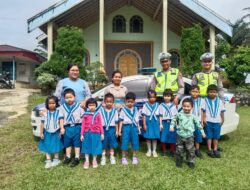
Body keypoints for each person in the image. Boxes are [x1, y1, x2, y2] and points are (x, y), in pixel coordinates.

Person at [170, 98, 206, 169]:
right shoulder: (179, 114)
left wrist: (202, 132)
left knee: (190, 149)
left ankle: (191, 161)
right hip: (180, 135)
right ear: (182, 106)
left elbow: (198, 125)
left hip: (189, 136)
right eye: (184, 106)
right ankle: (179, 160)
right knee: (179, 149)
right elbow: (173, 120)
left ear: (191, 107)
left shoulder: (193, 116)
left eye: (188, 106)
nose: (186, 108)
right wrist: (171, 127)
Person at [59, 88, 84, 167]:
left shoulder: (79, 107)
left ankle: (77, 157)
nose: (69, 99)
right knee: (67, 143)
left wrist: (83, 129)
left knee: (77, 143)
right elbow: (61, 118)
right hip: (67, 128)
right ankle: (68, 156)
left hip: (77, 127)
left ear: (74, 97)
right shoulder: (62, 107)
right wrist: (62, 128)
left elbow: (83, 118)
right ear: (64, 98)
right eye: (66, 98)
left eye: (70, 97)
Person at [38, 96, 63, 168]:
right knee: (46, 145)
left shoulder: (59, 112)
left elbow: (61, 121)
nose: (51, 105)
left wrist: (62, 129)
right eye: (50, 103)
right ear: (47, 104)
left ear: (56, 103)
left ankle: (56, 159)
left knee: (56, 145)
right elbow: (42, 123)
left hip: (56, 132)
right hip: (47, 132)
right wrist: (41, 132)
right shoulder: (45, 113)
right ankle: (48, 160)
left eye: (53, 103)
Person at [201, 84, 225, 158]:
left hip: (217, 122)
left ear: (217, 93)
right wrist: (203, 120)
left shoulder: (220, 101)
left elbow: (222, 111)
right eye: (210, 92)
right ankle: (209, 149)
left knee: (216, 137)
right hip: (208, 122)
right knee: (208, 136)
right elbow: (203, 111)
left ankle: (215, 149)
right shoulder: (204, 100)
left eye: (214, 92)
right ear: (207, 92)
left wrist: (223, 119)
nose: (212, 93)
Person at [81, 98, 104, 169]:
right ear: (87, 106)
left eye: (93, 105)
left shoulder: (98, 114)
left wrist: (102, 133)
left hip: (96, 133)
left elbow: (100, 124)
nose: (91, 107)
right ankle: (87, 161)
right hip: (87, 133)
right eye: (90, 105)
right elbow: (83, 125)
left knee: (95, 147)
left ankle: (94, 160)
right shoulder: (85, 114)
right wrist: (81, 134)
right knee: (86, 147)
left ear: (96, 106)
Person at [119, 92, 141, 165]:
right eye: (128, 101)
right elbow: (121, 121)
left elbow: (137, 120)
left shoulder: (135, 109)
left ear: (134, 102)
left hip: (134, 127)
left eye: (132, 102)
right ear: (125, 101)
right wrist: (119, 130)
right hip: (126, 127)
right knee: (124, 142)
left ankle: (134, 157)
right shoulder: (123, 110)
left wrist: (139, 128)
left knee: (135, 142)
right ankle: (123, 157)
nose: (130, 103)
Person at [99, 93, 119, 165]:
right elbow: (99, 122)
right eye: (107, 101)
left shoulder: (115, 111)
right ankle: (103, 157)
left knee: (111, 143)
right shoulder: (101, 110)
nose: (109, 103)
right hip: (103, 129)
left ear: (113, 102)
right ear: (104, 102)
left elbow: (116, 122)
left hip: (112, 129)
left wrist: (117, 130)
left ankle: (112, 156)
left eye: (110, 102)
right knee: (103, 143)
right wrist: (100, 132)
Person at [159, 89, 178, 157]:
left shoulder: (173, 105)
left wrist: (175, 124)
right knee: (163, 137)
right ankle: (164, 151)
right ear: (163, 96)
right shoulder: (161, 105)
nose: (167, 97)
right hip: (164, 122)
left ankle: (172, 150)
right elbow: (160, 115)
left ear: (171, 97)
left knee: (172, 137)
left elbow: (176, 116)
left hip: (172, 123)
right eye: (165, 96)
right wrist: (160, 124)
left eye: (168, 96)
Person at [141, 90, 160, 157]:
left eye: (153, 97)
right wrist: (144, 124)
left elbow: (160, 115)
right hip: (148, 121)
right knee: (148, 137)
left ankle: (154, 150)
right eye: (150, 97)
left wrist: (160, 124)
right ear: (148, 98)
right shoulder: (145, 105)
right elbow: (143, 115)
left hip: (155, 122)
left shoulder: (158, 105)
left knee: (155, 137)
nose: (152, 98)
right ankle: (149, 150)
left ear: (155, 98)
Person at [189, 85, 204, 158]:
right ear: (190, 92)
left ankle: (197, 149)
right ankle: (191, 149)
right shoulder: (187, 100)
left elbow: (202, 111)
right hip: (189, 121)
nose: (194, 93)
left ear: (199, 92)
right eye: (193, 91)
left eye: (196, 92)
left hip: (198, 121)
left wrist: (202, 121)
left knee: (198, 135)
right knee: (190, 135)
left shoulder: (201, 100)